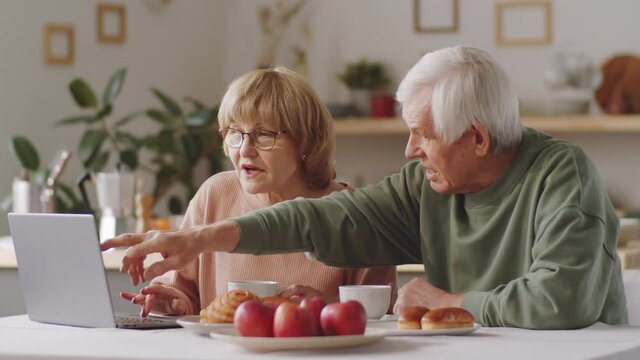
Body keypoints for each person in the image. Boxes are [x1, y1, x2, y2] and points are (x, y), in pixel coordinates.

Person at [103, 46, 628, 329]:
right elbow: (321, 217)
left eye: (423, 135)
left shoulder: (561, 173)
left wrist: (451, 300)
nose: (409, 150)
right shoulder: (423, 186)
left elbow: (561, 302)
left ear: (477, 138)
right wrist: (198, 239)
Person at [109, 67, 397, 317]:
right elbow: (185, 291)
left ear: (306, 143)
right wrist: (173, 301)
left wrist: (328, 306)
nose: (245, 150)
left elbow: (382, 317)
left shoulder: (356, 215)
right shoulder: (215, 194)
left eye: (263, 135)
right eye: (235, 133)